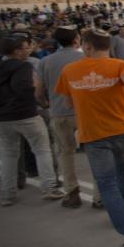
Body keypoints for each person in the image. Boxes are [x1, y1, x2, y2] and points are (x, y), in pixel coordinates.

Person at [55, 29, 124, 247]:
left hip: (94, 135)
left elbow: (67, 104)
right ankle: (123, 214)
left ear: (87, 46)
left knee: (106, 183)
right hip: (122, 130)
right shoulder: (120, 65)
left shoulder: (70, 70)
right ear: (109, 45)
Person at [0, 34, 63, 206]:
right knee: (42, 150)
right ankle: (49, 187)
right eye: (25, 47)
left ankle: (7, 194)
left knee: (9, 154)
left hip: (2, 117)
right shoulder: (23, 67)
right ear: (17, 51)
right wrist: (39, 98)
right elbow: (24, 88)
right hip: (25, 114)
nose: (28, 49)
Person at [36, 26, 98, 208]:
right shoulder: (86, 58)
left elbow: (38, 91)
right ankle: (99, 195)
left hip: (59, 112)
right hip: (84, 112)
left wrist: (46, 104)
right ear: (76, 40)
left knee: (65, 153)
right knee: (95, 152)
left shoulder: (45, 61)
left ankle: (71, 193)